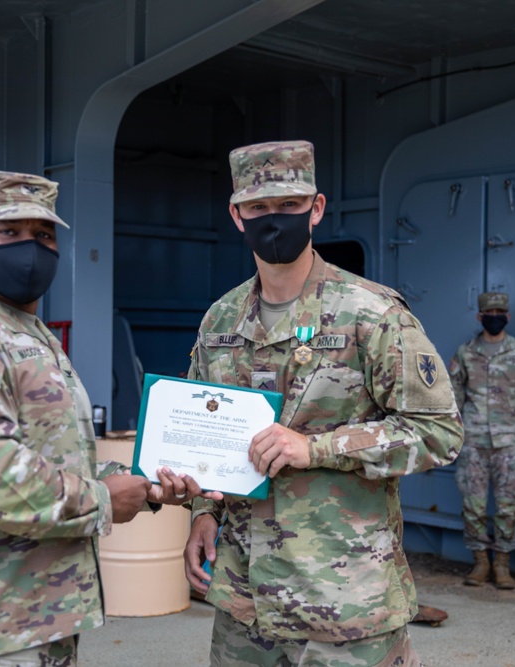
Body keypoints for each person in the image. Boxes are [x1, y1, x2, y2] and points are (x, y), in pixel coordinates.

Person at [0, 169, 215, 665]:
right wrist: (104, 498)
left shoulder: (25, 330)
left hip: (33, 615)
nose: (29, 248)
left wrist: (143, 485)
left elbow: (49, 458)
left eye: (42, 235)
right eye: (9, 232)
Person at [183, 140, 464, 666]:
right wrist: (203, 513)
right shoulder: (220, 320)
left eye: (288, 205)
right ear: (236, 215)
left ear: (315, 208)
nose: (274, 220)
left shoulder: (371, 312)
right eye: (258, 207)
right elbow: (206, 433)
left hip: (346, 599)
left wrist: (317, 449)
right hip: (247, 603)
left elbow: (438, 433)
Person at [449, 291, 515, 589]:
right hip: (472, 441)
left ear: (508, 316)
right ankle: (480, 562)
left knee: (507, 506)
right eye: (489, 311)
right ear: (479, 316)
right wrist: (454, 437)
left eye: (500, 311)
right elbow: (454, 399)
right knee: (472, 505)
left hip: (509, 442)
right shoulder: (465, 352)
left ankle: (502, 564)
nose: (495, 315)